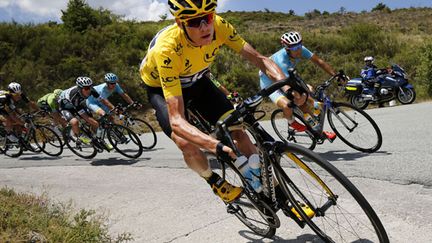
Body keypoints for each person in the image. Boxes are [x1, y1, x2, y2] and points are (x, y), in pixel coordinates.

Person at [139, 0, 302, 203]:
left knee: (238, 130)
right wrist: (213, 145)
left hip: (198, 79)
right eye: (195, 22)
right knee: (185, 142)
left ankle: (273, 188)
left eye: (207, 17)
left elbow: (260, 59)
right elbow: (177, 121)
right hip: (160, 88)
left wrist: (287, 85)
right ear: (180, 23)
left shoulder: (219, 25)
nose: (205, 27)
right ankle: (213, 180)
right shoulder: (167, 51)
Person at [259, 31, 337, 141]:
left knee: (305, 103)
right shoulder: (282, 61)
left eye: (299, 46)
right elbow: (287, 86)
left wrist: (336, 75)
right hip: (269, 82)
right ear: (287, 48)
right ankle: (291, 122)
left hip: (287, 77)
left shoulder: (301, 50)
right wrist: (302, 94)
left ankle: (317, 130)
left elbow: (319, 61)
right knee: (288, 105)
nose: (298, 50)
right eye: (295, 48)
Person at [58, 77, 113, 148]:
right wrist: (94, 122)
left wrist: (112, 108)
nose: (89, 90)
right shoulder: (74, 95)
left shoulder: (91, 90)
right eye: (86, 88)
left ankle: (100, 140)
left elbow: (103, 100)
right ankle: (79, 137)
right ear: (80, 89)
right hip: (65, 107)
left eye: (90, 87)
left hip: (78, 104)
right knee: (75, 122)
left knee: (94, 122)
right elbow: (84, 116)